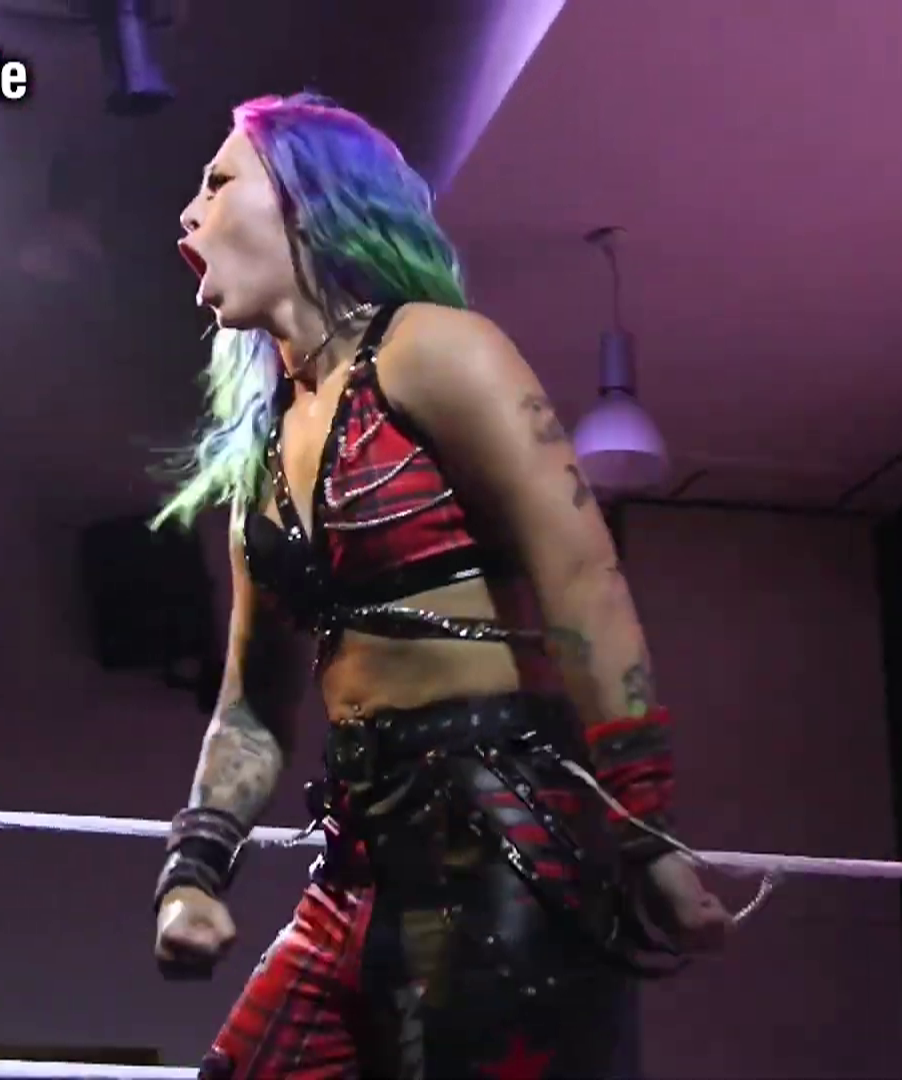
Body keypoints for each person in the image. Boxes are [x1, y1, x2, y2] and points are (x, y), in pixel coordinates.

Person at [146, 92, 732, 1079]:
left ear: (305, 198)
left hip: (502, 830)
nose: (189, 211)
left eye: (218, 181)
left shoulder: (434, 349)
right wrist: (194, 869)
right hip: (360, 851)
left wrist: (647, 829)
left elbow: (581, 577)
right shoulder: (263, 459)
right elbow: (252, 705)